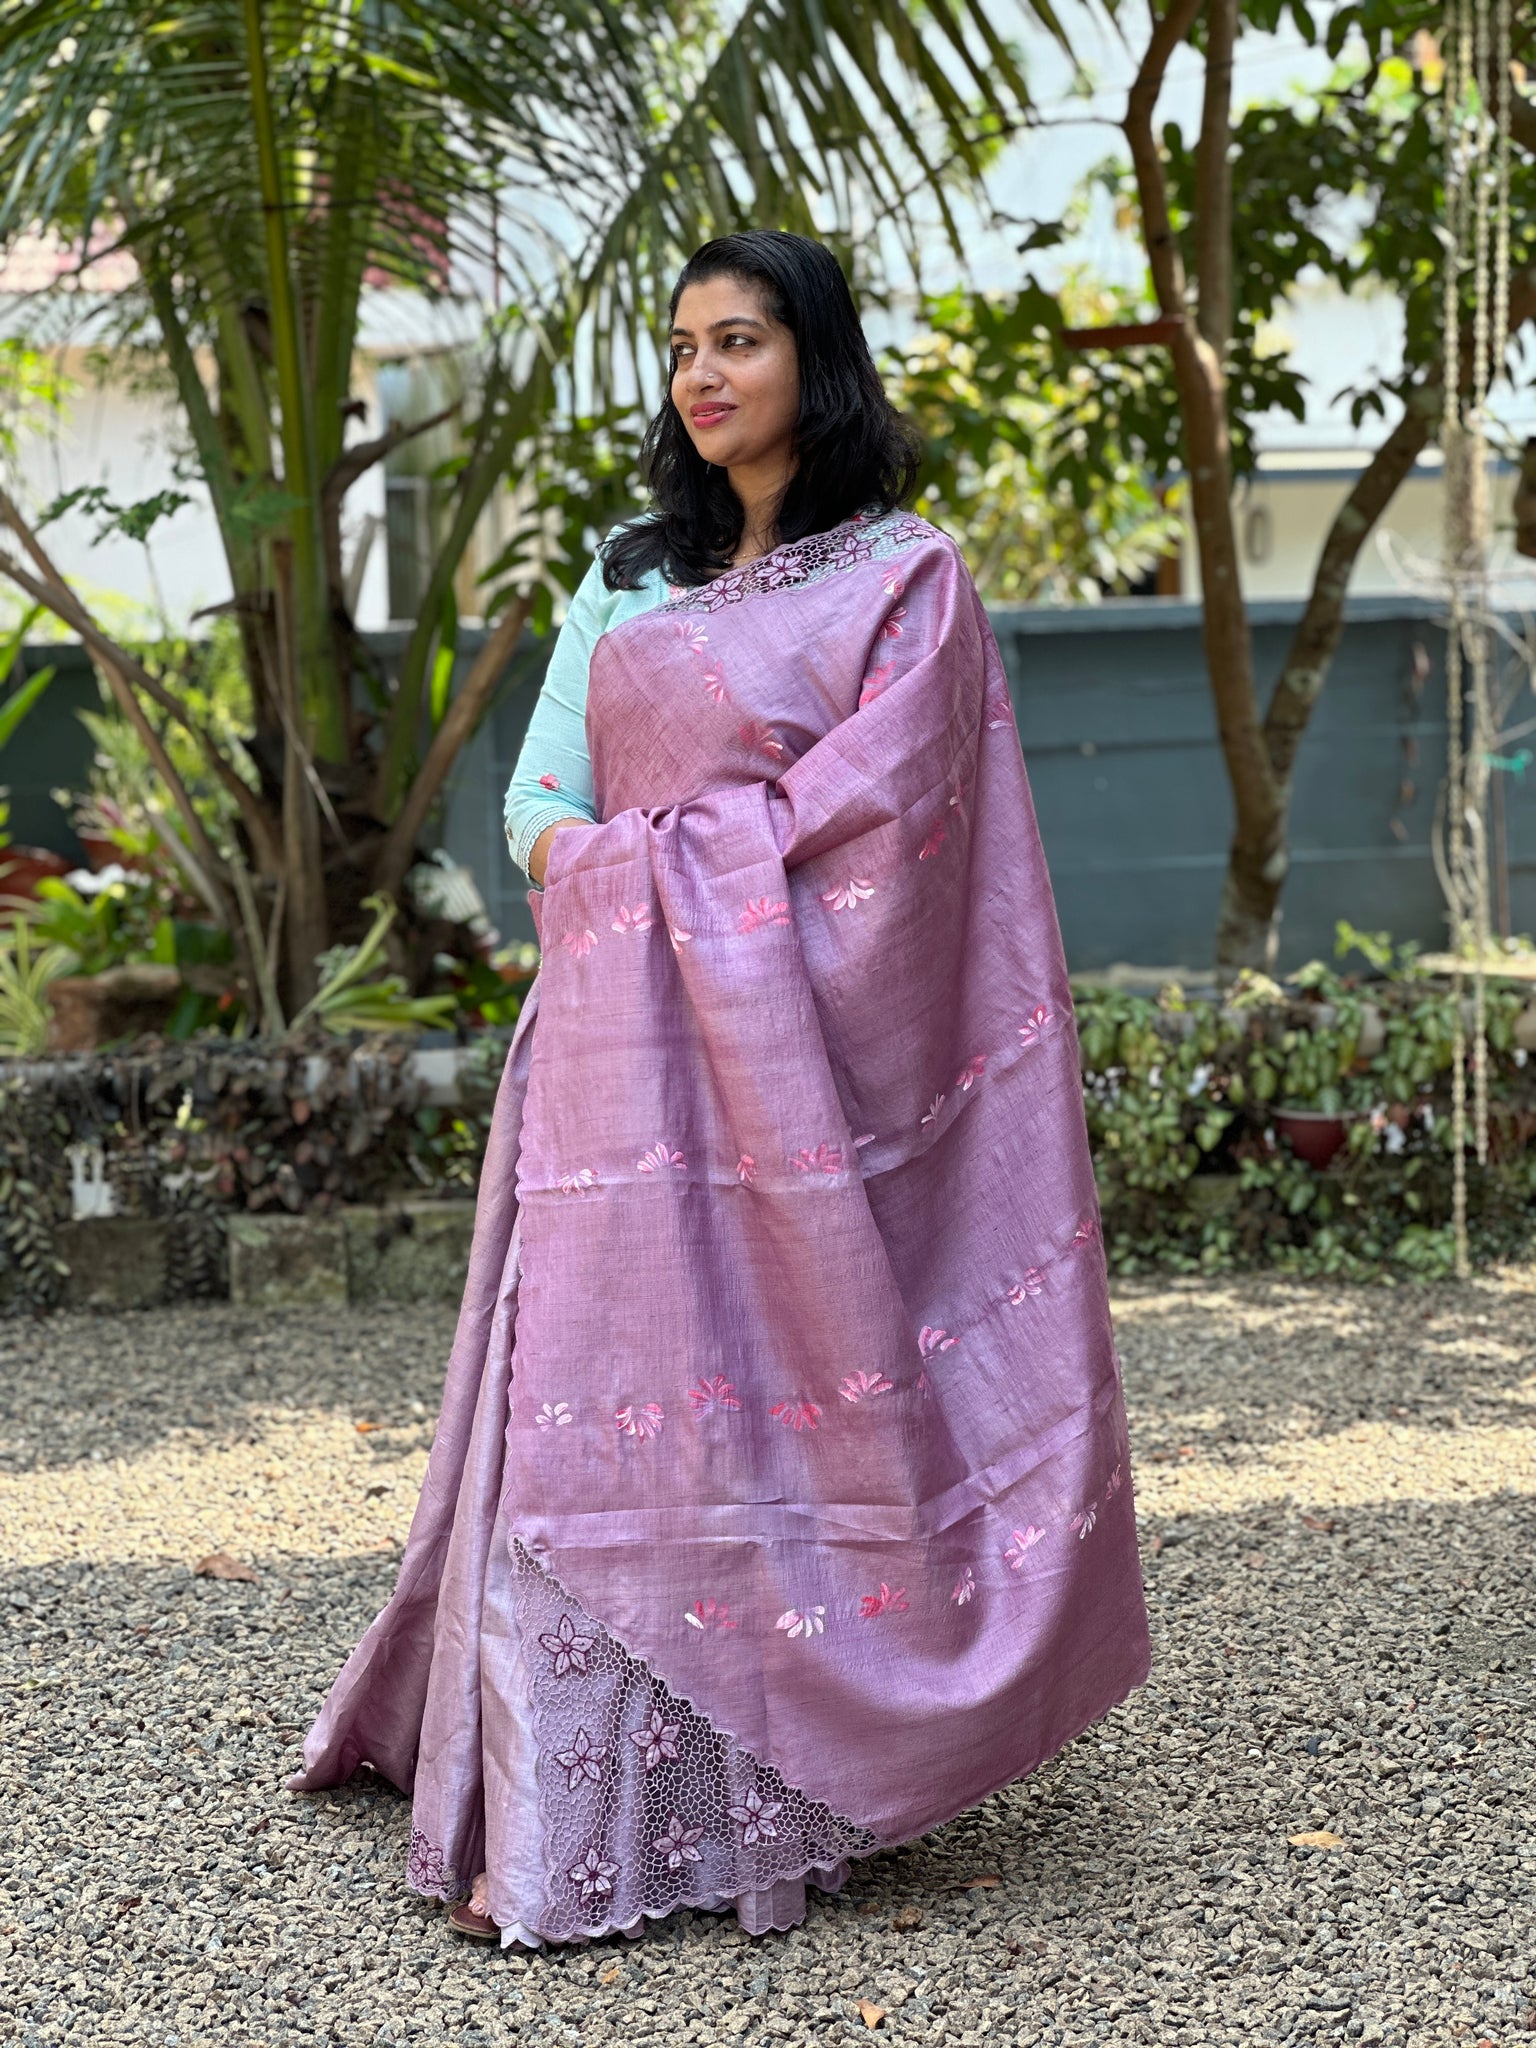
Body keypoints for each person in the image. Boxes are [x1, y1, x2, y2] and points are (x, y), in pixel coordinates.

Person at [288, 229, 1152, 1949]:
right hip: (617, 1065)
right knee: (589, 1411)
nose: (702, 374)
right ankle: (553, 1822)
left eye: (739, 340)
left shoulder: (905, 577)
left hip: (801, 1073)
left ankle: (771, 1789)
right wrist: (623, 877)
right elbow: (540, 800)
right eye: (683, 345)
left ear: (815, 361)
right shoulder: (629, 575)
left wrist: (693, 883)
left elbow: (903, 838)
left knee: (767, 1409)